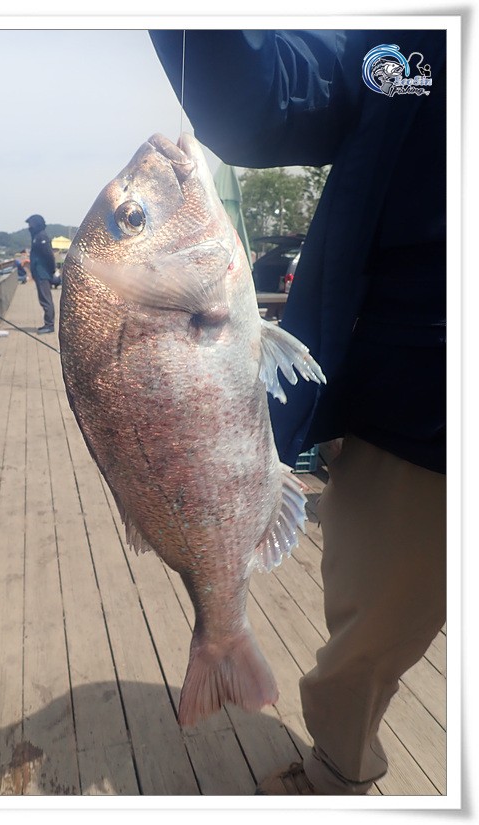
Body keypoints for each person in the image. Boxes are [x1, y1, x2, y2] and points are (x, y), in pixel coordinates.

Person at [150, 29, 446, 795]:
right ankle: (338, 770)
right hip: (418, 403)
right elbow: (261, 101)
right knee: (370, 629)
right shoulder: (412, 46)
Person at [25, 214, 56, 333]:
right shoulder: (36, 236)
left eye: (30, 224)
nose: (29, 227)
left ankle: (49, 325)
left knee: (46, 299)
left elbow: (49, 255)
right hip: (39, 273)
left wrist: (51, 270)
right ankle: (48, 323)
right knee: (43, 298)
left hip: (43, 273)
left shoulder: (41, 237)